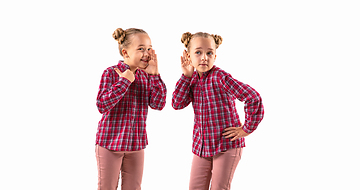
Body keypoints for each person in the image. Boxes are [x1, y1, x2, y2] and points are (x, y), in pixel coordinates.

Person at [172, 32, 264, 190]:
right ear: (188, 55)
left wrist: (246, 129)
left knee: (219, 187)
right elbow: (177, 103)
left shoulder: (220, 78)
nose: (204, 58)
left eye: (209, 53)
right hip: (202, 146)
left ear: (215, 56)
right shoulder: (191, 79)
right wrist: (186, 76)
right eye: (198, 52)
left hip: (226, 145)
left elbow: (253, 97)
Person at [95, 28, 167, 190]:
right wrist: (124, 82)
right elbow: (101, 105)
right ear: (125, 52)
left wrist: (155, 75)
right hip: (109, 143)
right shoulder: (111, 73)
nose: (147, 53)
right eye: (141, 48)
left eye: (149, 48)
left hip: (136, 144)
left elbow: (158, 104)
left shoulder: (147, 76)